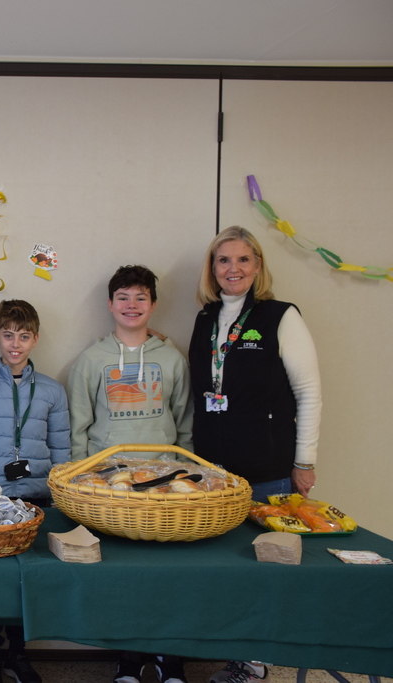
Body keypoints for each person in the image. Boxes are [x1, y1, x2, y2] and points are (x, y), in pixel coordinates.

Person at [189, 226, 321, 683]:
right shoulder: (206, 318)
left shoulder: (281, 316)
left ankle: (255, 662)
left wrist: (304, 461)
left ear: (258, 266)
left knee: (265, 566)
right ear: (213, 269)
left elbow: (309, 392)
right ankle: (232, 653)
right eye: (223, 260)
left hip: (268, 466)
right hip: (212, 470)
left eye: (243, 260)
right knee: (224, 567)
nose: (233, 269)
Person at [66, 265, 191, 683]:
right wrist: (81, 478)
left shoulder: (172, 358)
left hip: (164, 486)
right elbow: (78, 426)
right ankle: (128, 657)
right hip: (110, 484)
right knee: (120, 576)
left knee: (169, 576)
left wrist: (187, 476)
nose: (132, 305)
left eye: (141, 297)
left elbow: (185, 422)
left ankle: (169, 657)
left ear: (153, 304)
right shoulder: (91, 359)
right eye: (123, 297)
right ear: (110, 304)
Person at [0, 299, 69, 683]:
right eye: (8, 335)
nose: (15, 344)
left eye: (24, 336)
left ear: (35, 339)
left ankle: (18, 654)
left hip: (36, 498)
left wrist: (59, 496)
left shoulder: (53, 392)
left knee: (28, 578)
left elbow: (62, 451)